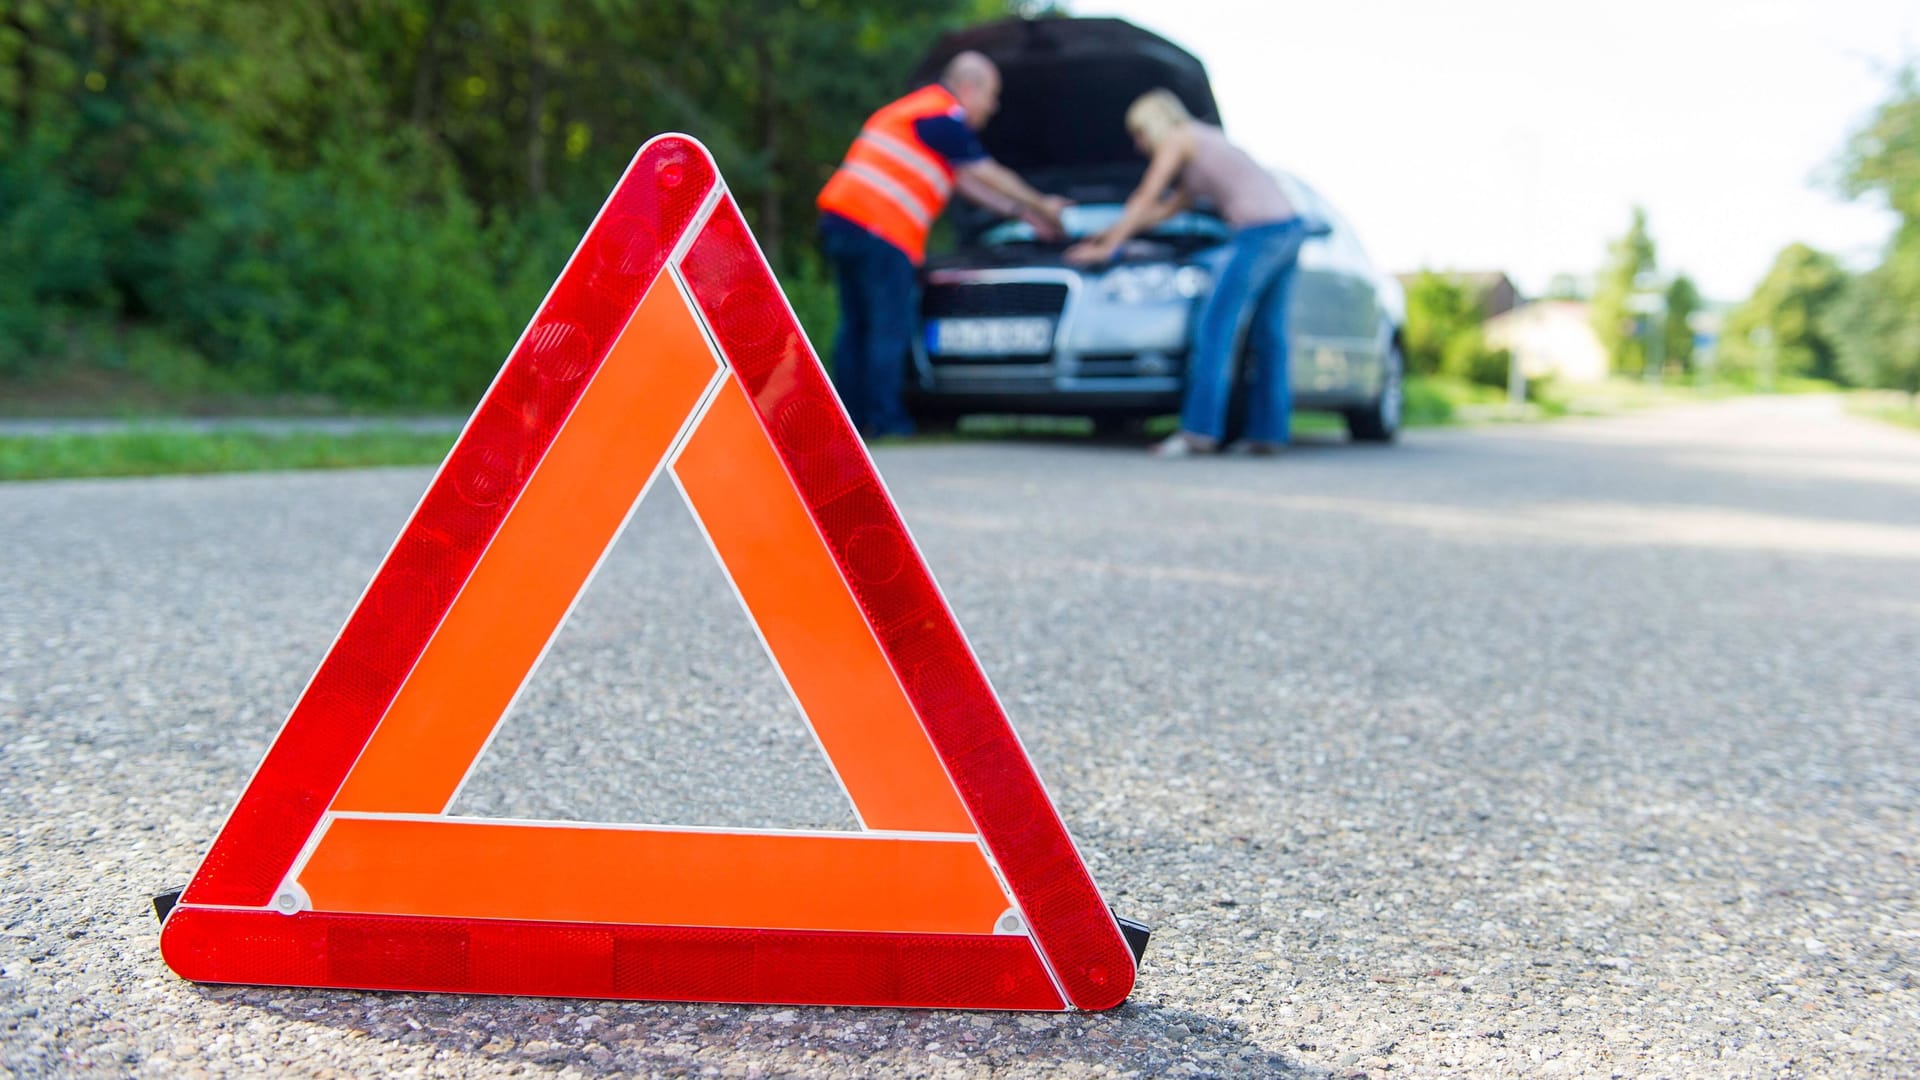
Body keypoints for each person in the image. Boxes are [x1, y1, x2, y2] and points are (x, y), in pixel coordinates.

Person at [817, 51, 1070, 438]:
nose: (994, 106)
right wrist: (1044, 205)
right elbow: (985, 171)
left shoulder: (919, 114)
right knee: (888, 327)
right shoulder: (942, 113)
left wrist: (1024, 215)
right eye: (992, 95)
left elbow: (965, 182)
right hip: (880, 230)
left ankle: (848, 421)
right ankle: (886, 422)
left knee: (856, 328)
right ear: (969, 88)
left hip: (844, 223)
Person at [1066, 88, 1308, 456]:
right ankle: (1268, 435)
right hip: (1289, 228)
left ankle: (1199, 432)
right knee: (1270, 337)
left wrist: (1107, 249)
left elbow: (1146, 196)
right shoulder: (1203, 147)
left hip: (1258, 233)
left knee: (1216, 326)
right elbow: (1164, 210)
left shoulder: (1180, 139)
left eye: (1140, 134)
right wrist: (1104, 234)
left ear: (1155, 123)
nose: (1137, 144)